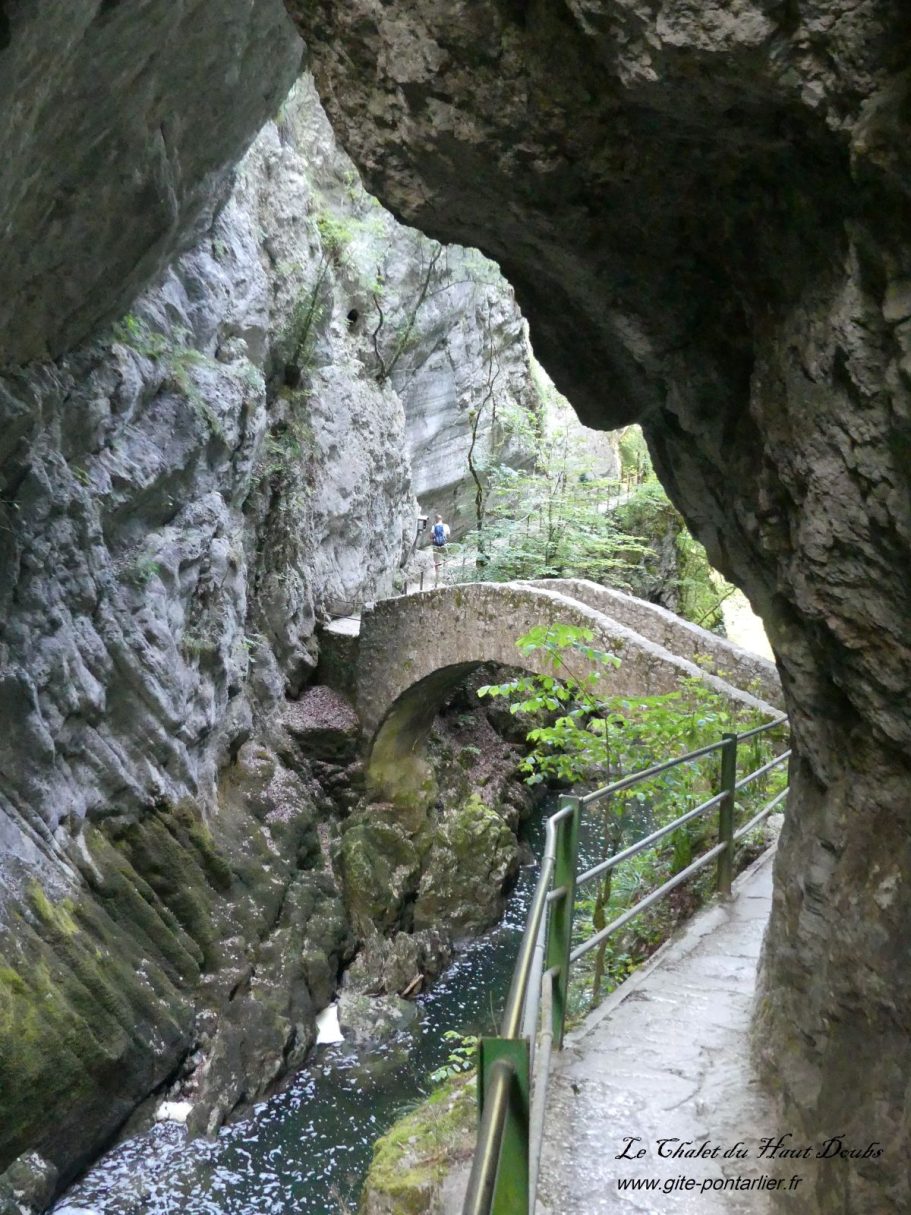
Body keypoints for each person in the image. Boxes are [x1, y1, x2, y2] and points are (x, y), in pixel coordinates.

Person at [430, 513, 450, 585]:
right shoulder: (446, 526)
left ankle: (437, 576)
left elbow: (431, 536)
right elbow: (448, 534)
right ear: (441, 519)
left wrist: (433, 539)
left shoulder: (433, 526)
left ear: (436, 520)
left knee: (436, 561)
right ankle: (446, 574)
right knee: (445, 559)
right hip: (444, 545)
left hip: (436, 546)